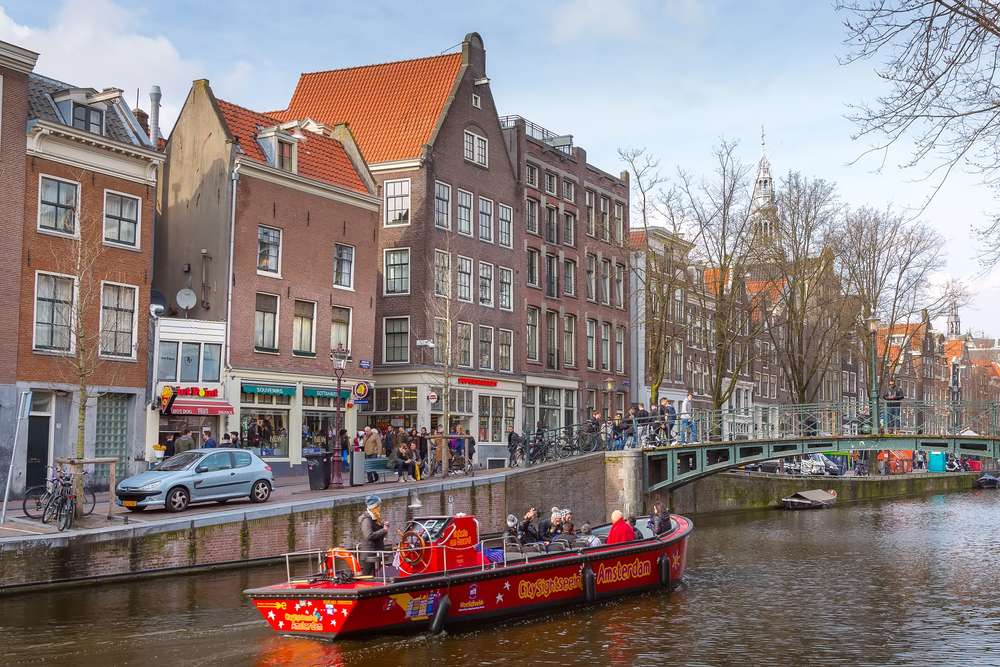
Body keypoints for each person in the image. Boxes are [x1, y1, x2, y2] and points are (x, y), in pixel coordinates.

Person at [359, 495, 389, 576]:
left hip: (376, 552)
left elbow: (379, 533)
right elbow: (368, 535)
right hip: (369, 554)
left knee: (375, 574)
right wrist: (384, 530)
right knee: (367, 576)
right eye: (379, 506)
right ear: (374, 507)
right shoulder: (367, 520)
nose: (380, 508)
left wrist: (383, 526)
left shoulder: (375, 518)